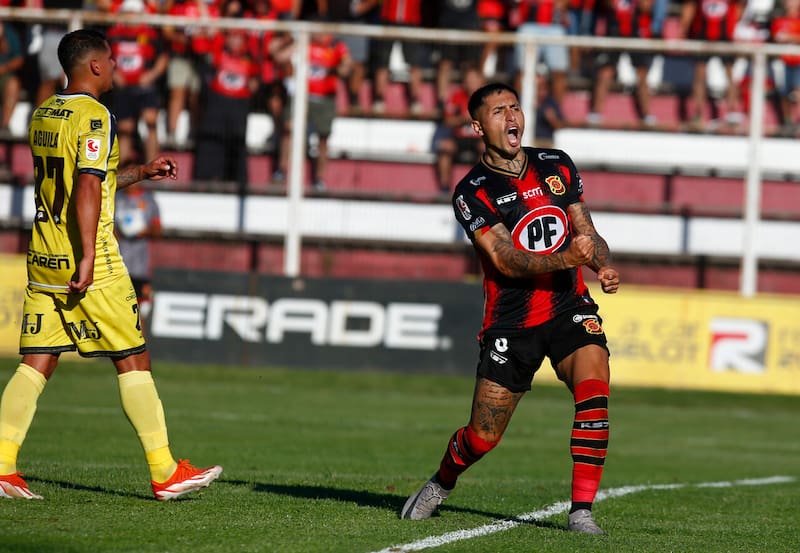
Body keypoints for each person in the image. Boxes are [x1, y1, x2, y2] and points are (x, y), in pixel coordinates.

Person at [0, 28, 222, 501]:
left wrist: (140, 172)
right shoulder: (96, 115)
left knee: (36, 362)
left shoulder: (44, 112)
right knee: (133, 357)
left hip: (44, 256)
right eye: (112, 59)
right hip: (91, 260)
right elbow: (85, 187)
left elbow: (83, 180)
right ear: (95, 65)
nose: (118, 67)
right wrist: (87, 256)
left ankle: (1, 464)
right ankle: (165, 471)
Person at [400, 82, 619, 535]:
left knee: (595, 391)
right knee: (482, 437)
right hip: (512, 324)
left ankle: (581, 512)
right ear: (478, 127)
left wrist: (601, 263)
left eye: (514, 107)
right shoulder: (472, 191)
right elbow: (505, 259)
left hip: (569, 306)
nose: (511, 116)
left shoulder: (556, 164)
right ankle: (442, 481)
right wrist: (569, 257)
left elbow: (586, 230)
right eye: (498, 111)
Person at [106, 0, 170, 165]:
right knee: (125, 128)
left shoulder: (151, 34)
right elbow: (104, 57)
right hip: (123, 88)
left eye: (134, 13)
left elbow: (163, 57)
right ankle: (122, 168)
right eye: (128, 12)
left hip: (145, 88)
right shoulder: (113, 34)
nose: (131, 16)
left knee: (151, 122)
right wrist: (114, 73)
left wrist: (152, 75)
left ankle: (154, 165)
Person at [431, 64, 486, 195]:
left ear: (481, 81)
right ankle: (444, 190)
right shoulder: (457, 96)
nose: (471, 83)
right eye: (468, 80)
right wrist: (462, 119)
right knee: (445, 149)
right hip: (459, 138)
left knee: (486, 150)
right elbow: (447, 120)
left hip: (479, 139)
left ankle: (481, 190)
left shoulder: (489, 99)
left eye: (474, 80)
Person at [115, 171, 162, 321]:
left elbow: (157, 230)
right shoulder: (116, 199)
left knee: (139, 314)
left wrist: (145, 231)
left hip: (139, 267)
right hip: (116, 266)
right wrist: (117, 233)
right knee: (117, 311)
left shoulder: (149, 200)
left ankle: (140, 337)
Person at [0, 22, 23, 133]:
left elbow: (19, 60)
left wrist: (4, 68)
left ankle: (4, 127)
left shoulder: (10, 33)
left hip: (4, 75)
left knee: (13, 84)